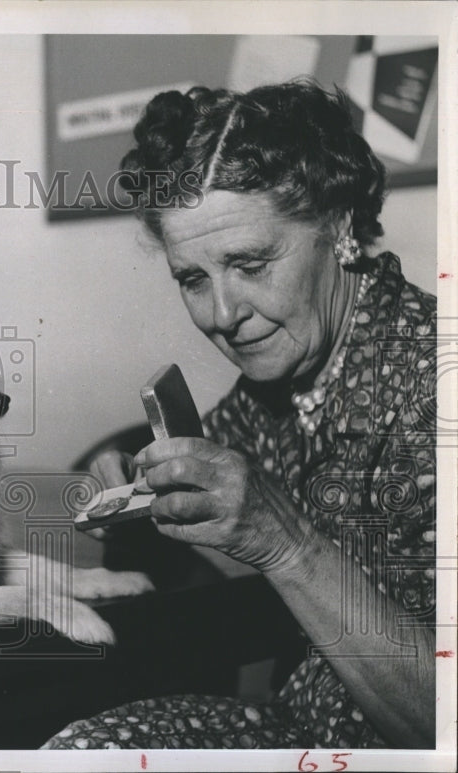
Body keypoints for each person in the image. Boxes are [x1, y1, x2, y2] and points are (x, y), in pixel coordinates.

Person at [43, 81, 436, 749]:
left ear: (339, 227)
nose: (222, 315)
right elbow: (216, 459)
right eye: (193, 279)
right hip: (304, 727)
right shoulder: (279, 381)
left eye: (250, 264)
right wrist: (140, 477)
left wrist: (284, 542)